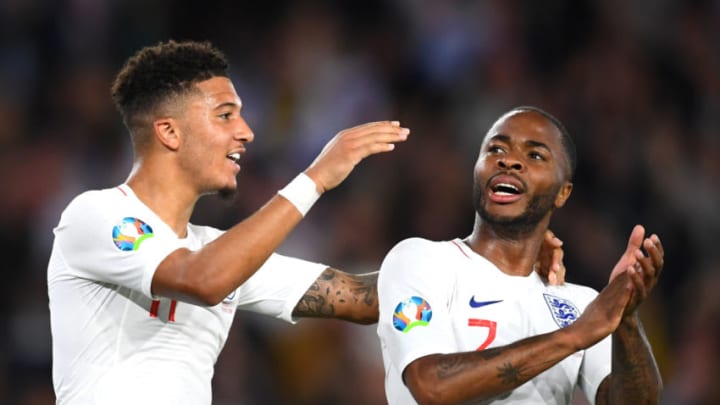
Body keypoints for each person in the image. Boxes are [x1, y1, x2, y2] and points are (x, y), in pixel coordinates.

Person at [46, 40, 564, 404]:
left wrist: (497, 258)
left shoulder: (218, 249)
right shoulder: (94, 216)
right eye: (225, 114)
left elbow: (366, 299)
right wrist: (314, 178)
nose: (246, 132)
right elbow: (200, 280)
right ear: (169, 132)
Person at [377, 106, 664, 404]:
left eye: (535, 155)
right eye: (496, 149)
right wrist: (572, 337)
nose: (509, 160)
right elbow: (432, 386)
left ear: (562, 193)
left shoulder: (581, 306)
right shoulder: (422, 261)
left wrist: (625, 319)